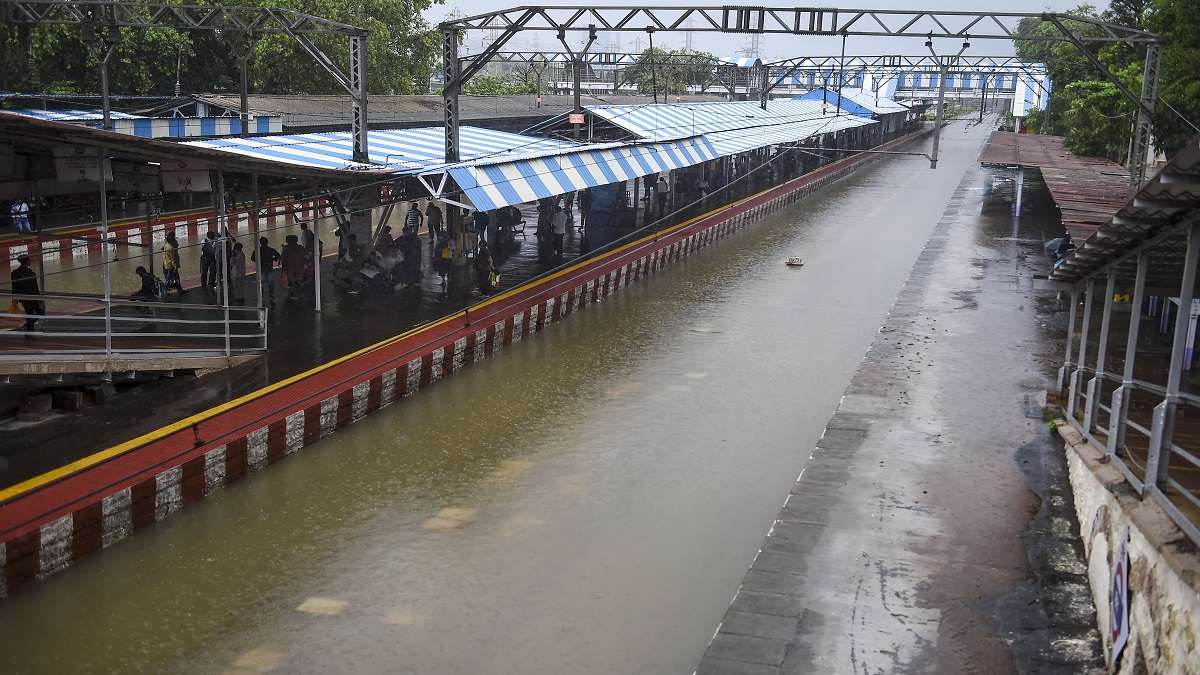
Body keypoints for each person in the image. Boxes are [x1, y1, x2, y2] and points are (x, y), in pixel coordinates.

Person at [10, 254, 43, 334]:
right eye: (29, 260)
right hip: (32, 297)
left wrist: (15, 298)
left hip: (22, 297)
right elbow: (35, 288)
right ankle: (29, 330)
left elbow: (14, 286)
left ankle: (29, 330)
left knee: (29, 314)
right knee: (40, 313)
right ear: (27, 261)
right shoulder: (31, 273)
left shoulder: (14, 273)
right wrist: (40, 300)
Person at [252, 236, 281, 304]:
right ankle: (272, 296)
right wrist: (273, 259)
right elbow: (278, 255)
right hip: (269, 269)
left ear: (260, 243)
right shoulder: (271, 250)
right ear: (267, 242)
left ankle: (261, 297)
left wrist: (259, 260)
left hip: (261, 270)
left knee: (260, 284)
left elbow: (252, 258)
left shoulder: (257, 250)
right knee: (270, 284)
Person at [281, 234, 307, 298]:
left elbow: (283, 259)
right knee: (298, 281)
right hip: (300, 267)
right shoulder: (300, 247)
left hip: (290, 268)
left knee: (292, 282)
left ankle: (294, 294)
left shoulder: (286, 248)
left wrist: (283, 268)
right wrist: (305, 264)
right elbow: (305, 257)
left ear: (288, 241)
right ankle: (299, 293)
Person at [162, 231, 185, 296]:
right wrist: (175, 267)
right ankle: (167, 292)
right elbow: (173, 258)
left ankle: (178, 290)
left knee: (170, 278)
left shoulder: (167, 243)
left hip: (166, 264)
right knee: (171, 279)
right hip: (171, 265)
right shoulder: (170, 246)